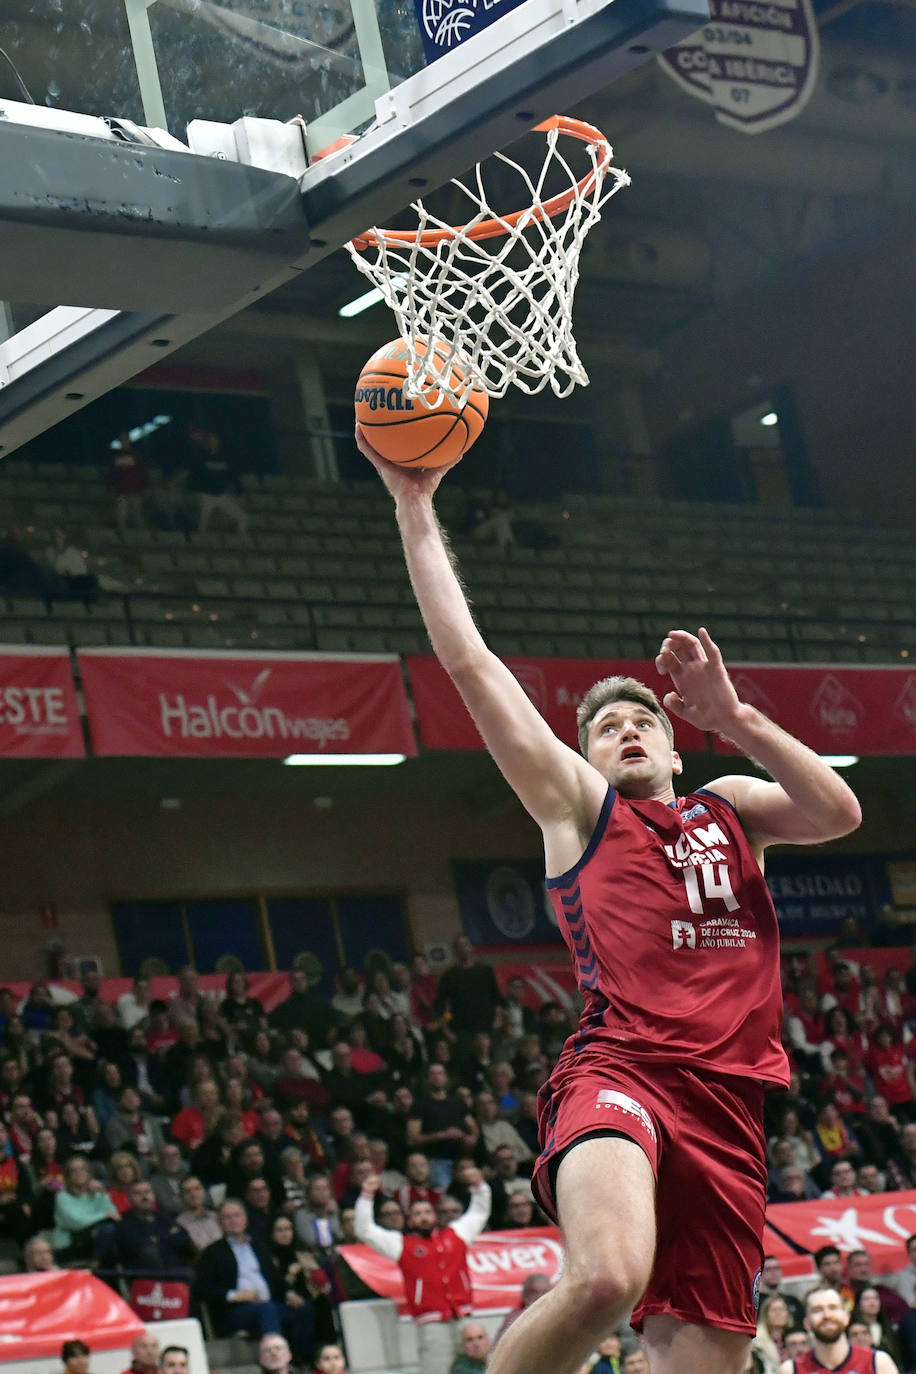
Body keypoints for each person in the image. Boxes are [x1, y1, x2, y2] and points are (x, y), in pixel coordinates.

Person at [357, 421, 862, 1374]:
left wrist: (737, 717)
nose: (626, 732)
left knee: (702, 1358)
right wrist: (415, 508)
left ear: (675, 749)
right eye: (605, 728)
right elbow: (472, 667)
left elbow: (837, 810)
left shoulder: (730, 808)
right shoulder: (579, 813)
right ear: (584, 758)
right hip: (620, 1072)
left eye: (643, 722)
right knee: (604, 1278)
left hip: (732, 1105)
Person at [355, 1167, 491, 1374]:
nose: (424, 1217)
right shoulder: (401, 1244)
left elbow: (480, 1211)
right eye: (417, 1214)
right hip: (431, 1322)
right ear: (409, 1219)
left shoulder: (456, 1234)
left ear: (435, 1215)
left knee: (480, 1369)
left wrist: (479, 1184)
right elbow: (364, 1230)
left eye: (427, 1212)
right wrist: (366, 1195)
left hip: (464, 1316)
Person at [778, 1286, 899, 1373]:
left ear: (846, 1317)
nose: (827, 1315)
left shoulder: (877, 1362)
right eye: (817, 1310)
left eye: (833, 1308)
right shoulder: (791, 1369)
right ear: (807, 1323)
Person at [493, 1274, 552, 1348]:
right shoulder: (514, 1319)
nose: (540, 1296)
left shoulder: (558, 1317)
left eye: (545, 1292)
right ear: (525, 1295)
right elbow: (499, 1347)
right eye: (534, 1292)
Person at [106, 431, 148, 535]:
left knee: (137, 515)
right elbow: (111, 474)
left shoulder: (136, 455)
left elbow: (143, 471)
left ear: (129, 440)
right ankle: (122, 536)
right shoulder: (114, 456)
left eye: (125, 439)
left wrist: (143, 487)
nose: (124, 441)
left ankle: (140, 536)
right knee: (121, 515)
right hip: (120, 492)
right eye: (122, 439)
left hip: (135, 491)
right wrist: (112, 487)